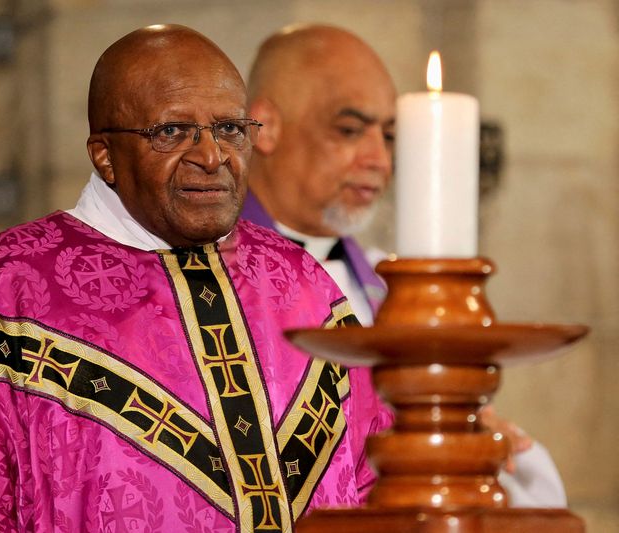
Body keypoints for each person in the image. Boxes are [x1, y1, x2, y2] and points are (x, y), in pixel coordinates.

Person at [0, 25, 392, 532]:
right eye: (171, 131)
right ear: (105, 156)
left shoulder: (301, 282)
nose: (211, 157)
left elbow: (381, 483)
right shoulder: (17, 286)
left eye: (230, 129)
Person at [241, 23, 567, 508]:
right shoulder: (199, 281)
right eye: (350, 130)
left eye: (390, 136)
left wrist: (468, 440)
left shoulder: (389, 290)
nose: (380, 160)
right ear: (264, 127)